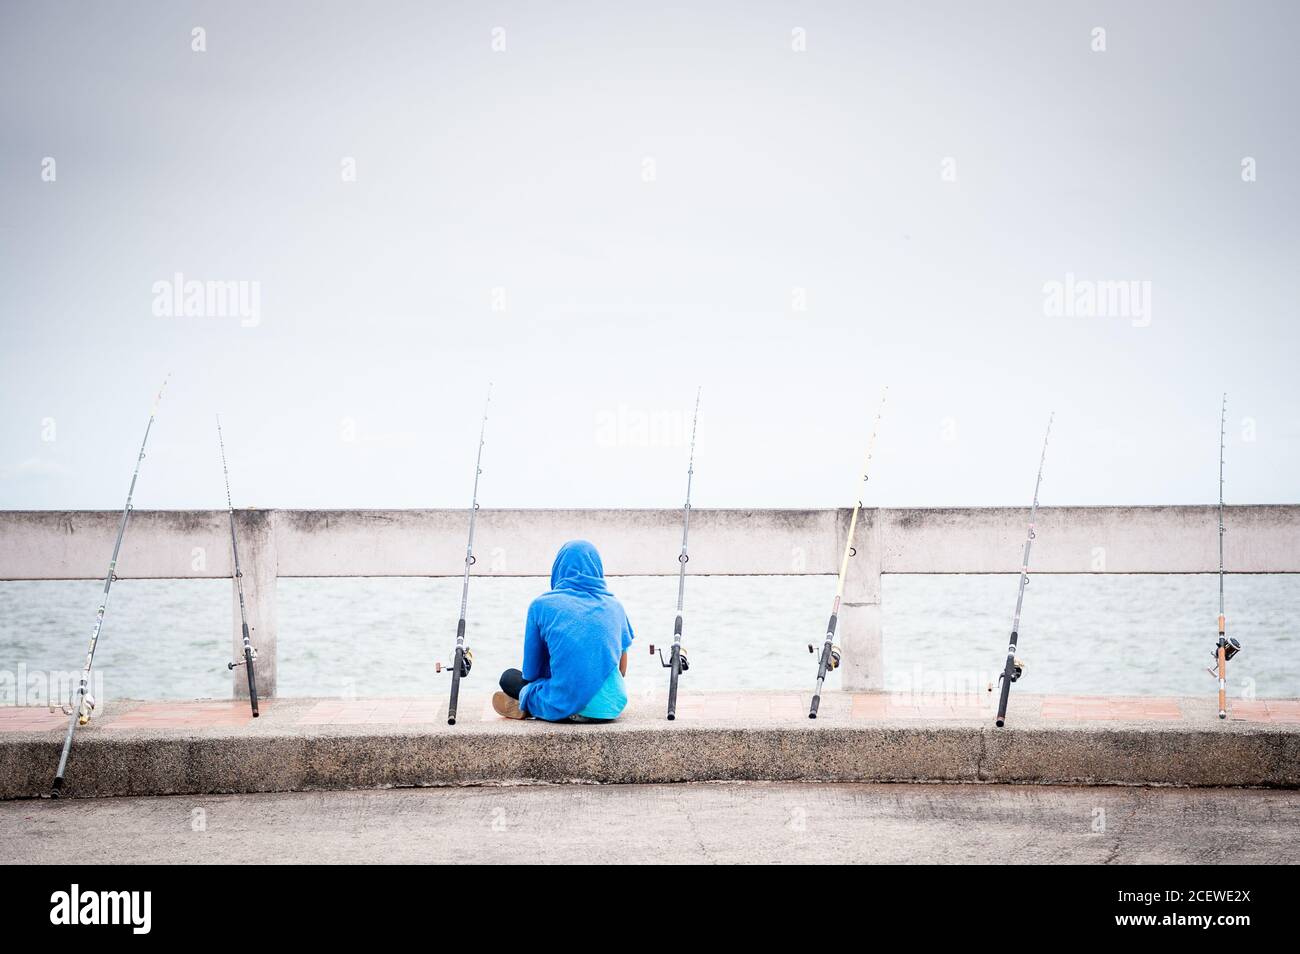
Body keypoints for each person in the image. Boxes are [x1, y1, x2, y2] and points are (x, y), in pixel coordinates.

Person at [494, 539, 633, 723]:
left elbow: (531, 673)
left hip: (564, 704)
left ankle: (530, 704)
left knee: (509, 678)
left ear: (558, 568)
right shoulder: (615, 606)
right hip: (612, 706)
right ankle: (534, 705)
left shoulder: (541, 605)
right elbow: (622, 670)